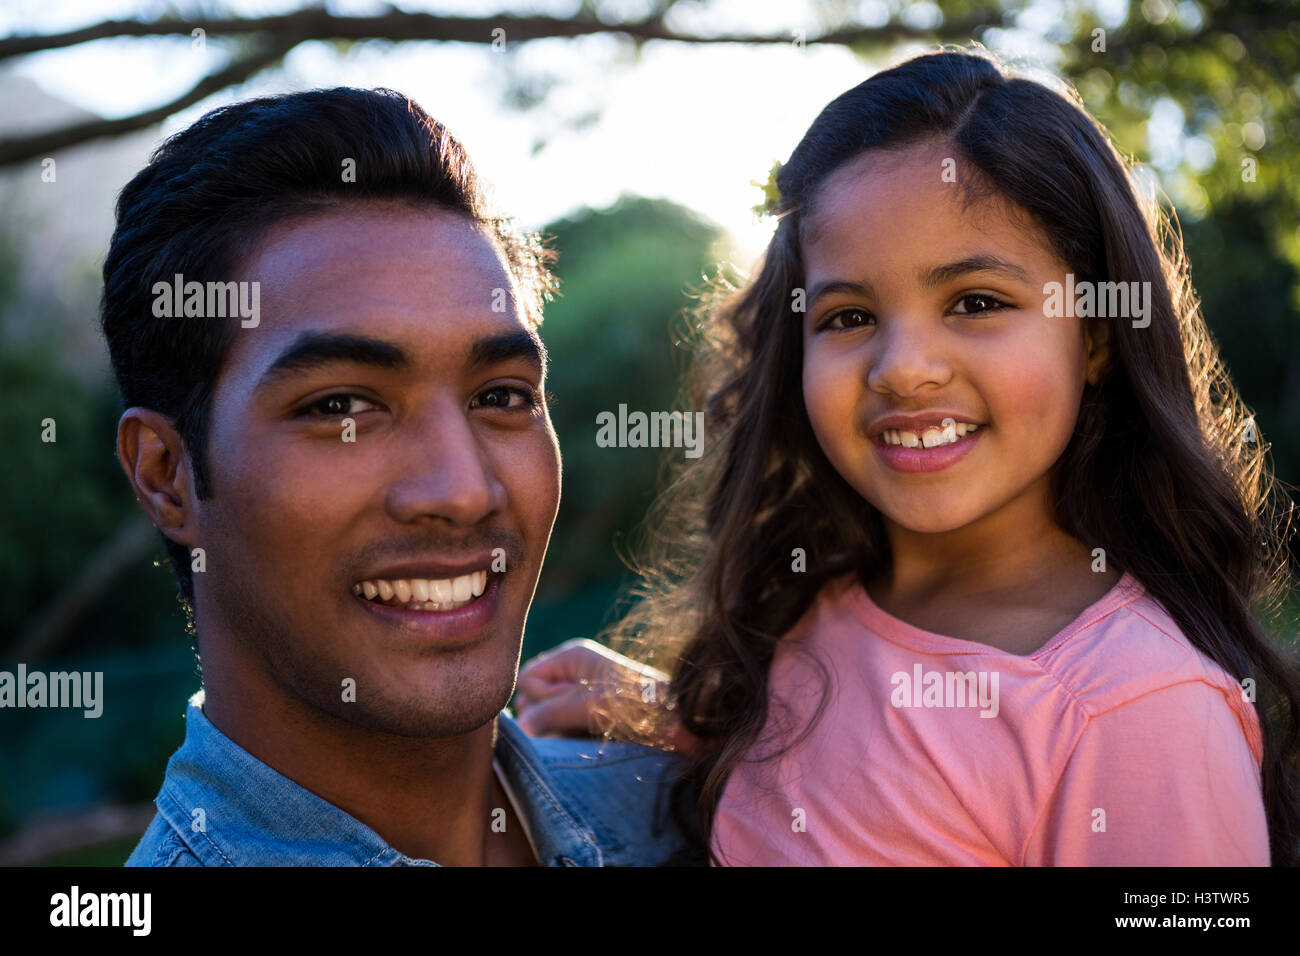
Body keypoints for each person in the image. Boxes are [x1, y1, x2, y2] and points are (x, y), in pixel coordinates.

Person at [514, 50, 1300, 866]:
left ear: (1097, 334)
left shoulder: (1138, 711)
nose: (902, 367)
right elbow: (829, 789)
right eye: (849, 317)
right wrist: (670, 721)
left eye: (976, 302)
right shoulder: (818, 603)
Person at [107, 87, 702, 866]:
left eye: (502, 397)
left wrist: (771, 760)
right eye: (342, 406)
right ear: (166, 476)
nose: (462, 490)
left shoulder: (704, 810)